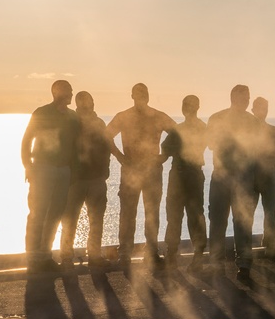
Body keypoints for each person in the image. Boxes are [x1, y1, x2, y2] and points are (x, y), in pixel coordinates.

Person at [106, 83, 175, 270]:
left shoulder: (158, 116)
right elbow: (105, 135)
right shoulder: (123, 116)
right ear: (132, 95)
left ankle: (151, 252)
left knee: (152, 213)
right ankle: (125, 254)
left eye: (144, 93)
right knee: (128, 213)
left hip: (152, 170)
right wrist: (120, 157)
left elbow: (178, 133)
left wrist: (165, 154)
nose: (141, 96)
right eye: (138, 93)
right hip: (131, 170)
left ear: (148, 96)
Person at [21, 80, 80, 274]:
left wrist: (72, 170)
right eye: (68, 91)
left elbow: (77, 145)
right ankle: (32, 258)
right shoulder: (42, 113)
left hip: (63, 170)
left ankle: (45, 256)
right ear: (57, 92)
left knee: (55, 214)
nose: (71, 94)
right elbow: (27, 139)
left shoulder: (73, 117)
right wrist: (28, 166)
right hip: (43, 169)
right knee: (38, 212)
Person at [206, 84, 263, 281]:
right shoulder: (217, 118)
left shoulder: (253, 122)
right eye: (243, 97)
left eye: (247, 97)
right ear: (233, 97)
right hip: (221, 176)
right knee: (217, 220)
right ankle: (216, 263)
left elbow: (258, 149)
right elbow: (211, 143)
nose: (246, 101)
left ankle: (245, 264)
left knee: (243, 221)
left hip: (244, 178)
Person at [60, 91, 119, 270]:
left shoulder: (97, 123)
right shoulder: (71, 123)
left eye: (90, 101)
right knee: (73, 219)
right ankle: (69, 256)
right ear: (78, 104)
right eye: (85, 101)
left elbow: (106, 147)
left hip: (93, 179)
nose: (88, 104)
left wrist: (105, 170)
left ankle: (89, 255)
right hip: (78, 180)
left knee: (92, 219)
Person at [161, 95, 208, 269]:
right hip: (190, 175)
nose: (187, 108)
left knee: (179, 215)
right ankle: (191, 255)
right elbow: (166, 150)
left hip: (183, 175)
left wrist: (176, 149)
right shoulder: (201, 128)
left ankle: (176, 255)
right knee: (191, 215)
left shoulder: (179, 129)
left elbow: (165, 150)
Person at [250, 97, 275, 256]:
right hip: (253, 177)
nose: (264, 111)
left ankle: (271, 246)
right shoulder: (247, 130)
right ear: (253, 109)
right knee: (248, 214)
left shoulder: (273, 130)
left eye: (266, 107)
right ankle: (246, 249)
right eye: (261, 107)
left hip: (268, 176)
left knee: (270, 213)